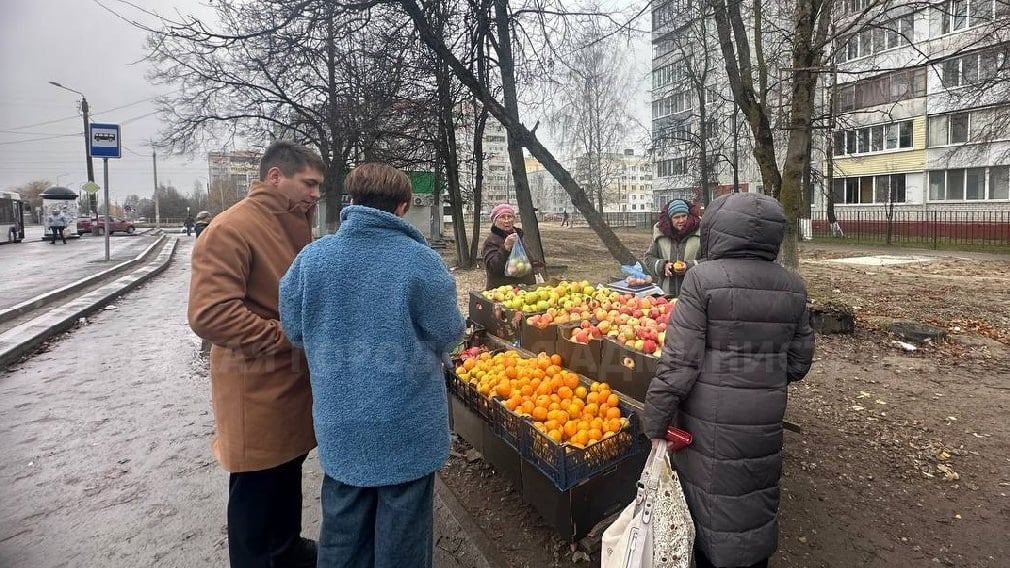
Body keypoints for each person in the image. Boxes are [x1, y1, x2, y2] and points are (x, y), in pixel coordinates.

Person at [278, 162, 465, 568]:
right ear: (401, 207)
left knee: (342, 535)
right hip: (407, 427)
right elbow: (449, 332)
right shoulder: (420, 260)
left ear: (353, 200)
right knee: (403, 540)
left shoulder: (312, 260)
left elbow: (293, 329)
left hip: (340, 422)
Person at [642, 193, 815, 568]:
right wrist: (761, 377)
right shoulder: (793, 287)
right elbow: (799, 363)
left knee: (711, 506)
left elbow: (679, 363)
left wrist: (654, 422)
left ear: (715, 231)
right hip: (766, 415)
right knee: (754, 492)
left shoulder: (703, 280)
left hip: (709, 419)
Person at [187, 140, 323, 568]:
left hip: (284, 385)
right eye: (310, 183)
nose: (316, 194)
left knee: (283, 479)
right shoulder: (232, 227)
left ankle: (286, 550)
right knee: (256, 494)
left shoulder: (287, 221)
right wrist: (288, 337)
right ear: (275, 176)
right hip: (256, 389)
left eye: (320, 186)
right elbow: (210, 313)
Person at [643, 199, 701, 297]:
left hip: (693, 295)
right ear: (670, 219)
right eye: (676, 217)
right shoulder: (660, 234)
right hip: (666, 295)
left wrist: (689, 266)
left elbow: (710, 261)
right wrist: (663, 266)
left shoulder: (700, 233)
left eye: (684, 216)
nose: (681, 220)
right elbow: (648, 258)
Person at [482, 203, 543, 290]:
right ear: (495, 221)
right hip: (504, 292)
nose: (507, 221)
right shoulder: (491, 241)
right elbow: (493, 268)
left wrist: (534, 264)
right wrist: (505, 248)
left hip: (525, 290)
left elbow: (526, 257)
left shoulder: (518, 236)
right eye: (502, 217)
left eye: (509, 217)